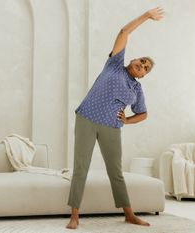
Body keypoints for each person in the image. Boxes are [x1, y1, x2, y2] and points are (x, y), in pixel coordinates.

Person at [66, 7, 164, 229]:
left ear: (142, 76)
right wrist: (146, 16)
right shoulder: (115, 65)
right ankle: (74, 215)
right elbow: (124, 32)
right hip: (86, 120)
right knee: (81, 167)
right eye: (141, 61)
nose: (142, 65)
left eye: (145, 68)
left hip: (111, 127)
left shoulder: (137, 90)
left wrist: (127, 120)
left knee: (115, 172)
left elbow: (144, 113)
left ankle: (129, 214)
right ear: (134, 60)